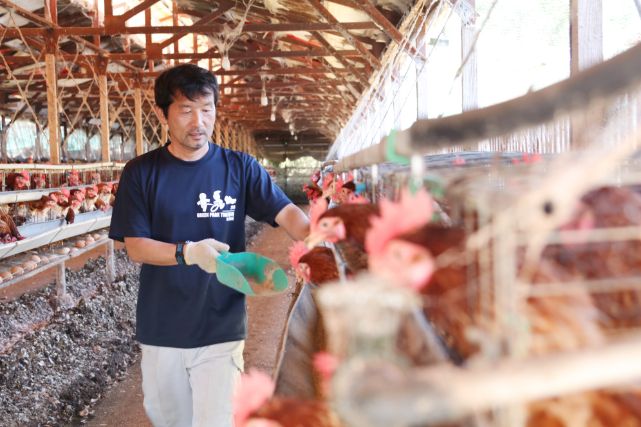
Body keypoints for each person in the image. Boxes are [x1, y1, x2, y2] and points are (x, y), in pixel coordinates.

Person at [109, 63, 309, 427]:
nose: (197, 121)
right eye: (186, 110)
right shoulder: (141, 172)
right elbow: (135, 246)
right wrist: (188, 253)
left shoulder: (240, 168)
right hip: (162, 328)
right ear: (163, 114)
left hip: (221, 325)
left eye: (206, 110)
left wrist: (315, 241)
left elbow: (287, 212)